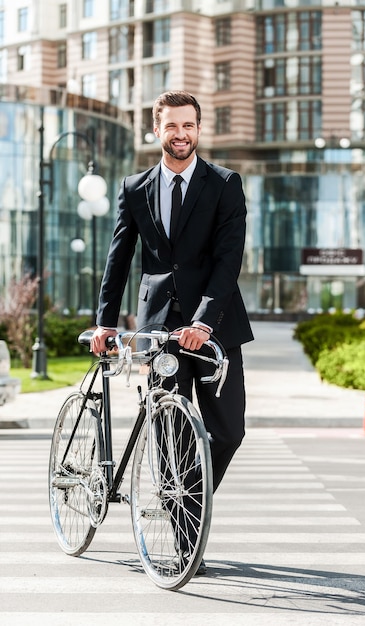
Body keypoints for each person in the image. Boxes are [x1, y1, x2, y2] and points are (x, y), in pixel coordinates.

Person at [90, 90, 254, 574]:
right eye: (171, 126)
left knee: (228, 430)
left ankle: (187, 496)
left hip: (215, 326)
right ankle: (185, 539)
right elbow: (119, 258)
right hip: (159, 325)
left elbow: (228, 261)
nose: (180, 134)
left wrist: (203, 320)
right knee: (171, 429)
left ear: (199, 130)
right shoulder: (135, 187)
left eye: (189, 125)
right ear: (156, 130)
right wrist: (105, 319)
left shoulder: (225, 184)